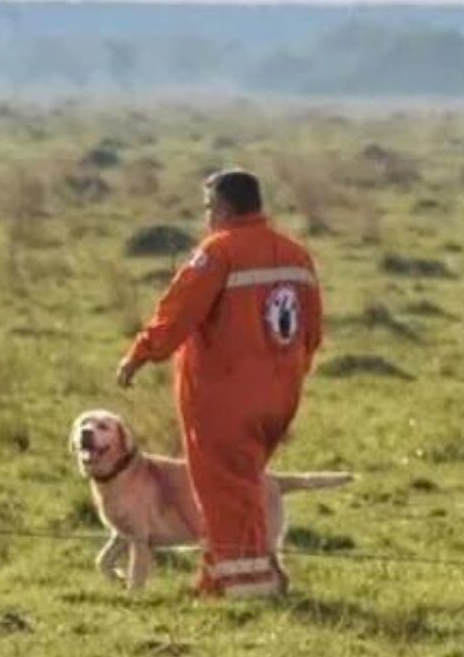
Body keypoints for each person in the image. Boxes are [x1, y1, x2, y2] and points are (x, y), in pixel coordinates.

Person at [116, 168, 325, 599]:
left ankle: (242, 586)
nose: (208, 217)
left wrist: (140, 353)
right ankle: (225, 575)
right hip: (279, 397)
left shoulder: (218, 253)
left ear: (226, 208)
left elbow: (177, 314)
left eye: (210, 208)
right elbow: (312, 331)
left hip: (225, 400)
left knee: (223, 489)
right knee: (243, 485)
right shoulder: (296, 254)